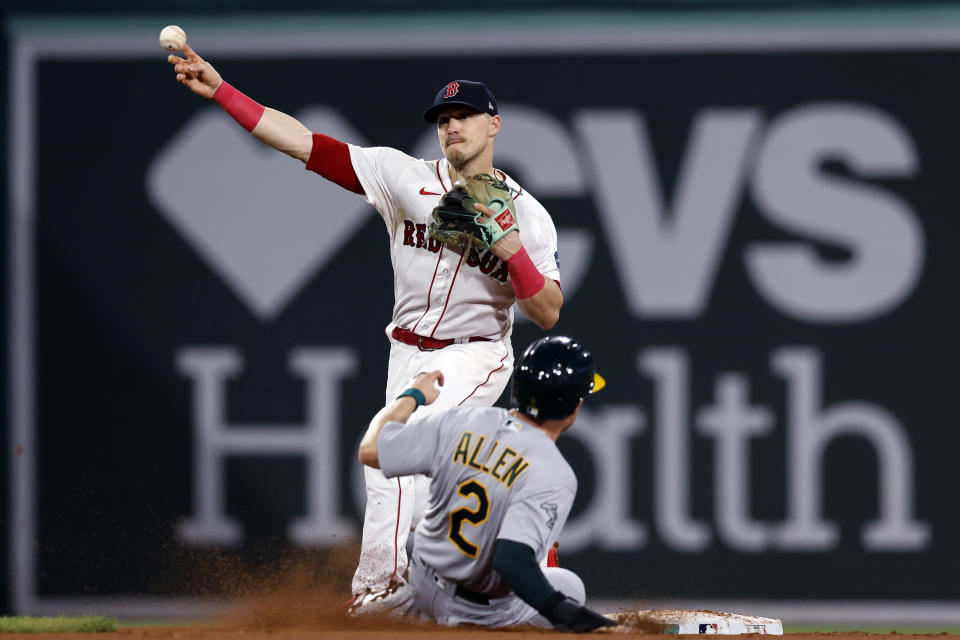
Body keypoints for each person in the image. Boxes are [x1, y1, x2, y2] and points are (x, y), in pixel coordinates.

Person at [167, 47, 564, 604]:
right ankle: (491, 577)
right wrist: (223, 91)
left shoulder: (528, 215)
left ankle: (379, 594)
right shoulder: (402, 177)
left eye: (464, 116)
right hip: (405, 352)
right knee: (424, 472)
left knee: (391, 448)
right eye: (443, 120)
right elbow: (304, 143)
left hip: (476, 354)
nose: (451, 126)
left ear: (493, 123)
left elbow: (546, 310)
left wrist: (509, 246)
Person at [355, 336, 615, 632]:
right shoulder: (556, 473)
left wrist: (412, 394)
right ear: (574, 410)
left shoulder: (463, 420)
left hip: (421, 589)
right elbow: (511, 561)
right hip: (479, 614)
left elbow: (370, 449)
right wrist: (580, 619)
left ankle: (387, 608)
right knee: (568, 588)